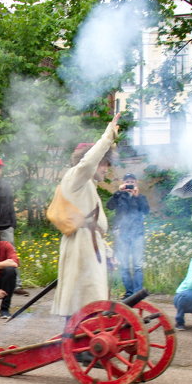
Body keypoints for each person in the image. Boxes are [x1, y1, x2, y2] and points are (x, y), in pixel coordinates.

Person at [52, 116, 119, 317]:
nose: (106, 169)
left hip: (90, 246)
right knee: (82, 305)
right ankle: (78, 340)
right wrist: (109, 135)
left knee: (91, 303)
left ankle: (84, 337)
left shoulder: (88, 186)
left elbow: (95, 227)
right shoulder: (76, 177)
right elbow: (87, 163)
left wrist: (108, 253)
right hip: (81, 248)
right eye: (104, 163)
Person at [107, 172, 149, 299]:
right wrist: (117, 193)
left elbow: (146, 211)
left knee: (137, 265)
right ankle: (129, 293)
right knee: (124, 265)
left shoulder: (141, 197)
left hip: (137, 234)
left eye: (132, 182)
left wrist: (136, 197)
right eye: (127, 182)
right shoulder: (119, 196)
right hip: (122, 234)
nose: (130, 184)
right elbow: (109, 206)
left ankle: (137, 292)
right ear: (123, 183)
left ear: (136, 183)